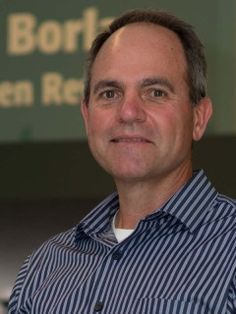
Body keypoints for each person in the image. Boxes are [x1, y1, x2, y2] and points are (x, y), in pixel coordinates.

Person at [9, 9, 236, 314]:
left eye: (155, 92)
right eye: (110, 93)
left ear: (199, 117)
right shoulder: (43, 269)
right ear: (87, 117)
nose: (128, 112)